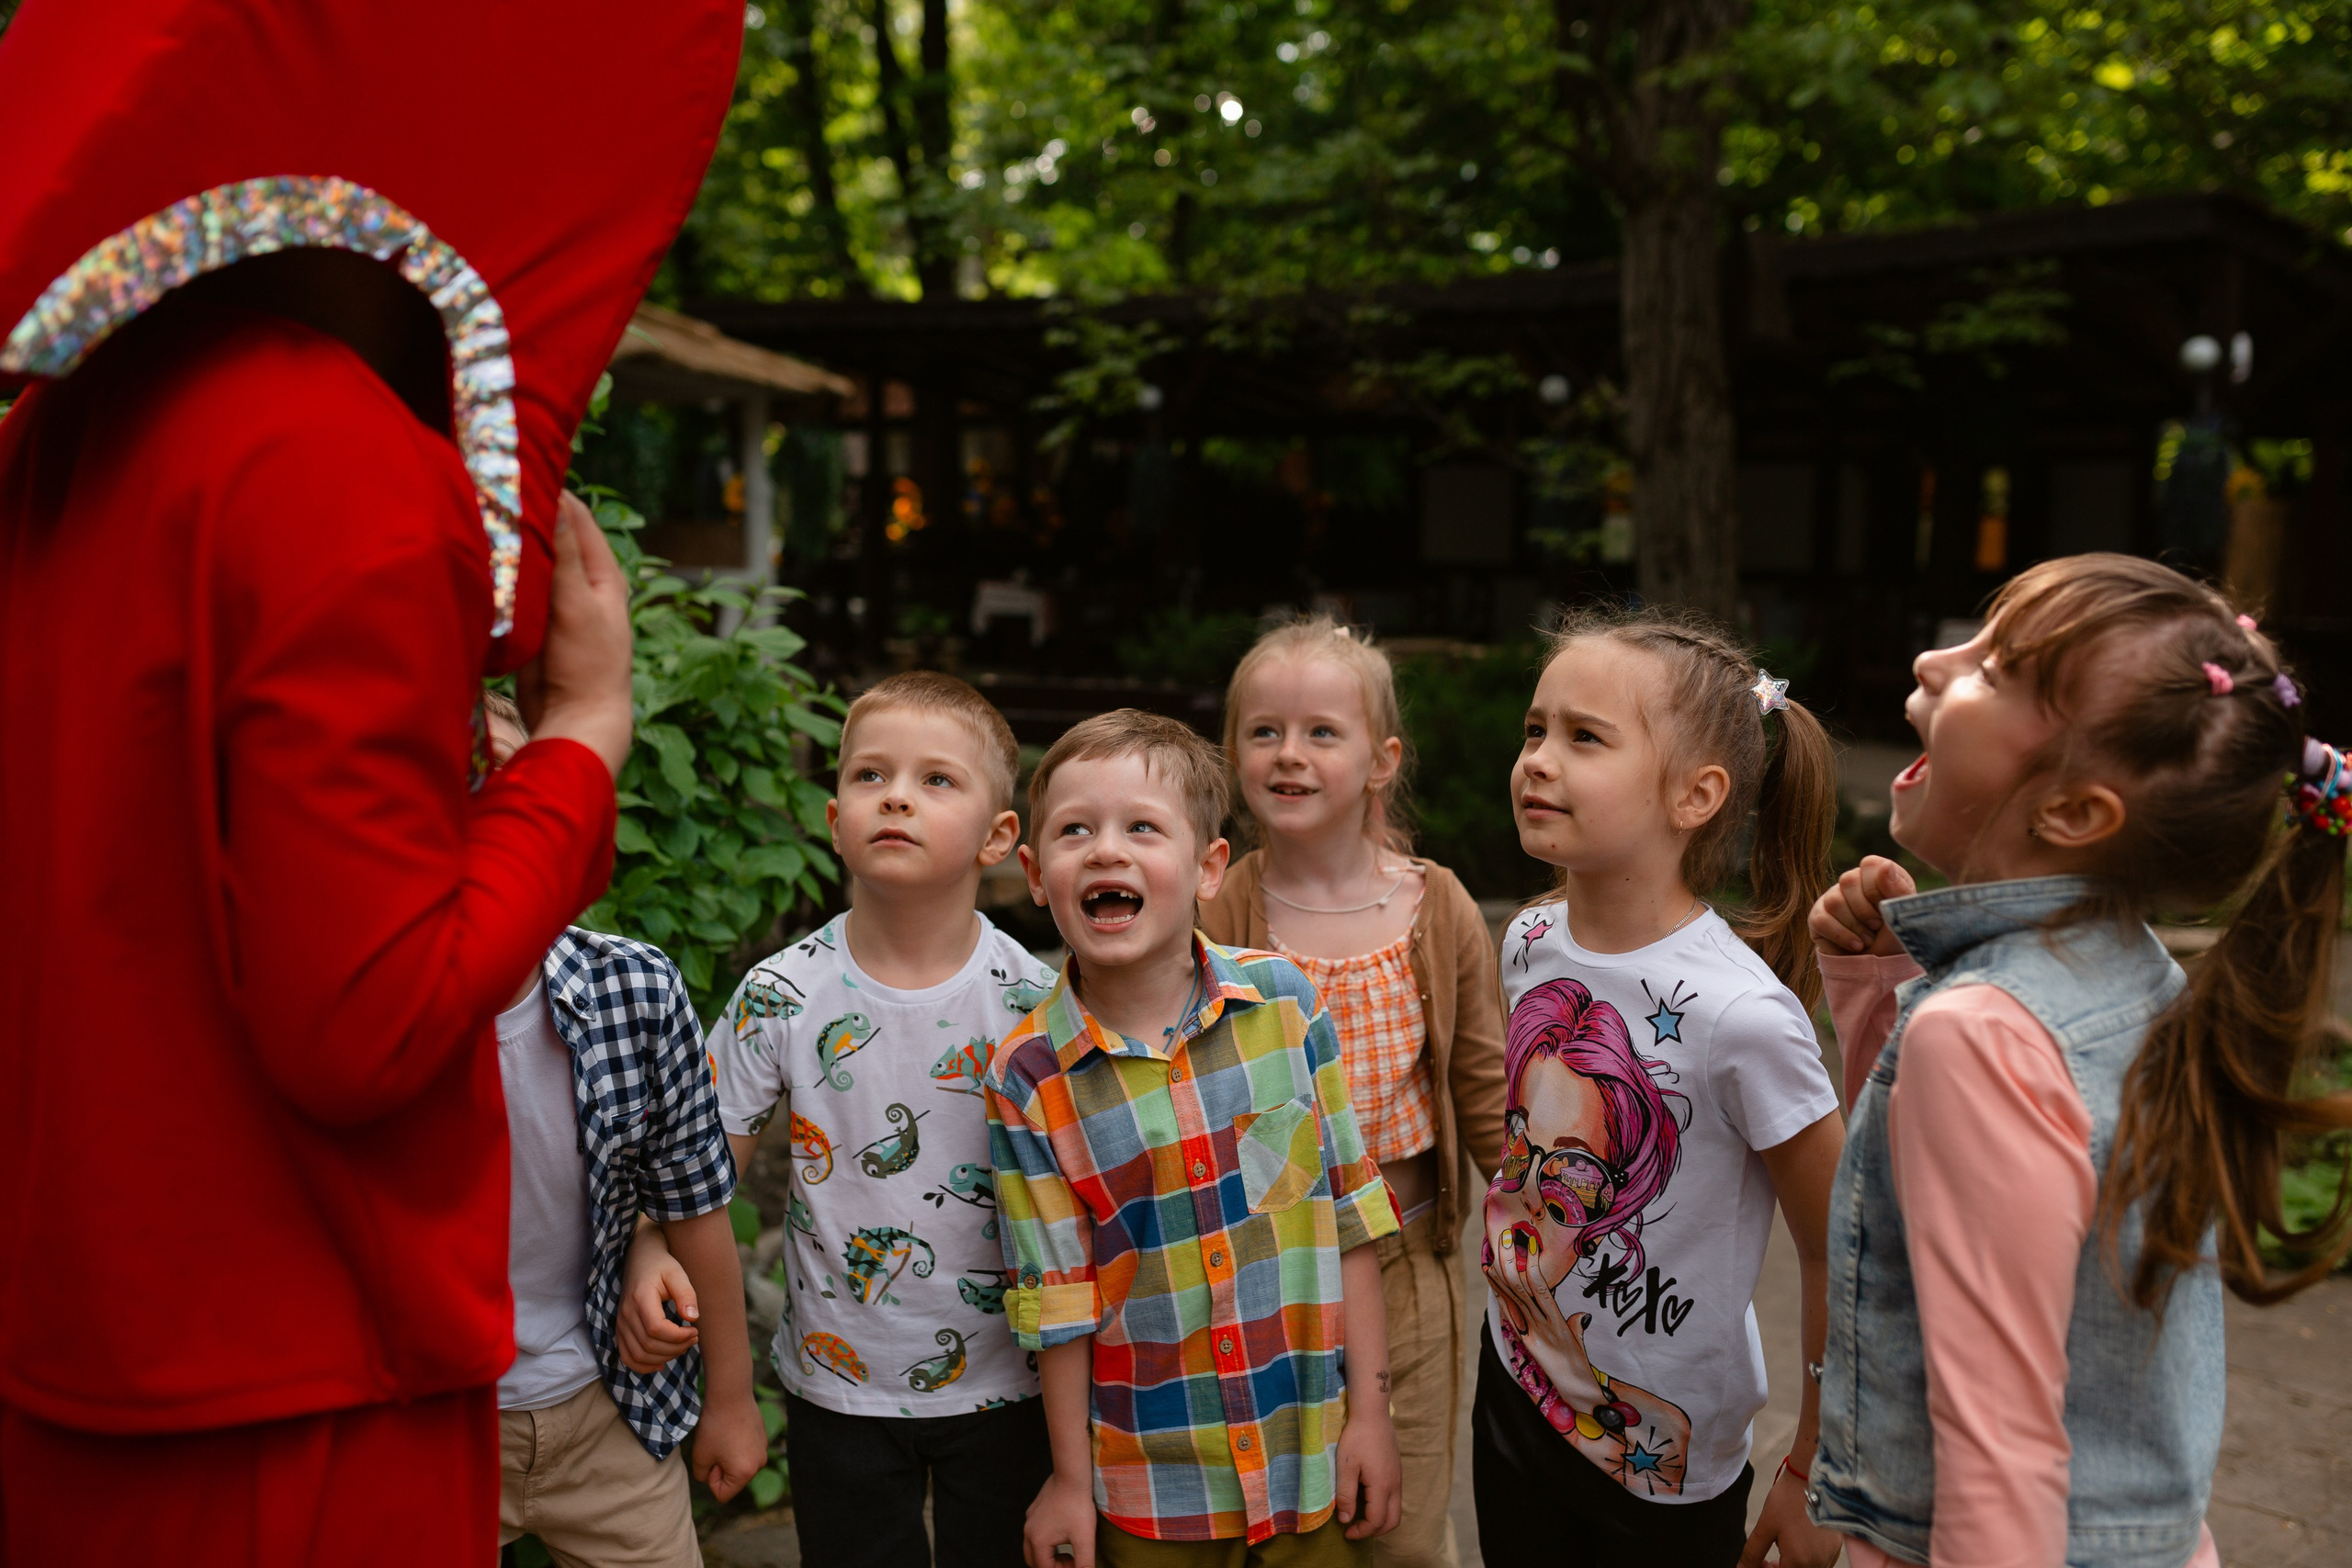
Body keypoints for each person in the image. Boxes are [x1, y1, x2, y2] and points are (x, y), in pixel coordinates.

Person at [0, 4, 741, 1560]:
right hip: (296, 1381)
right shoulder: (330, 450)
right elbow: (370, 1018)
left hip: (86, 1357)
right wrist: (580, 738)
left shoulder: (61, 433)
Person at [1804, 554, 2352, 1568]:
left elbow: (2000, 1448)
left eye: (1993, 670)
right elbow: (1956, 1223)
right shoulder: (2130, 973)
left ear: (2070, 815)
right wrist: (1886, 987)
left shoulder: (1979, 1034)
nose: (1931, 662)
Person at [628, 672, 1059, 1568]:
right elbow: (690, 1177)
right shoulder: (781, 996)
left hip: (1014, 1385)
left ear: (998, 837)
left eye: (936, 779)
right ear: (834, 822)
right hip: (837, 1390)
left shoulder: (1039, 1004)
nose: (896, 794)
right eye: (870, 775)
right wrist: (718, 1379)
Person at [984, 709, 1403, 1568]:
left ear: (1210, 866)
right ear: (1034, 873)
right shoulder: (1028, 1075)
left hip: (1308, 1460)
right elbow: (1057, 1298)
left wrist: (1371, 1414)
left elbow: (1351, 1216)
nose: (1106, 851)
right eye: (1075, 831)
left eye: (1143, 826)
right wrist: (1070, 1480)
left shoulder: (1287, 1005)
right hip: (1149, 1485)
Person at [1477, 610, 1848, 1568]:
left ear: (1696, 794)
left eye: (1584, 737)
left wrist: (1812, 1465)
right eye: (1534, 729)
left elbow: (1836, 1253)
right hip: (1512, 1386)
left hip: (1658, 1462)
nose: (1539, 760)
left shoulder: (1746, 1020)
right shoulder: (1529, 942)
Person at [1199, 617, 1506, 1568]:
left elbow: (1485, 1092)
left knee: (1401, 1530)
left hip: (1407, 1266)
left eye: (1321, 733)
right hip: (1259, 1275)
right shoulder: (1214, 912)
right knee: (1289, 1529)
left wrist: (1550, 1243)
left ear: (1381, 759)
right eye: (1263, 732)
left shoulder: (1436, 905)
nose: (1288, 755)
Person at [472, 695, 765, 1564]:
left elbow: (694, 1201)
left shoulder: (630, 989)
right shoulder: (360, 1012)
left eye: (519, 793)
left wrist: (731, 1398)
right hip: (431, 1427)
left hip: (606, 1406)